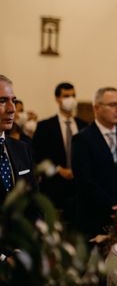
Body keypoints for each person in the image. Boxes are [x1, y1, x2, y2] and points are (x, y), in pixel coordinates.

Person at [72, 87, 117, 238]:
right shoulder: (82, 139)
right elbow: (85, 180)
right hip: (95, 216)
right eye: (112, 105)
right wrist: (113, 207)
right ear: (96, 107)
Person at [32, 82, 87, 222]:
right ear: (57, 99)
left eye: (73, 95)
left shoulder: (84, 126)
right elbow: (37, 156)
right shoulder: (45, 126)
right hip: (54, 186)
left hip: (79, 188)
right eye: (66, 96)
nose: (71, 99)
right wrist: (58, 169)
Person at [0, 75, 37, 205]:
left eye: (13, 101)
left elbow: (33, 199)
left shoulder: (22, 148)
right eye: (2, 101)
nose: (12, 109)